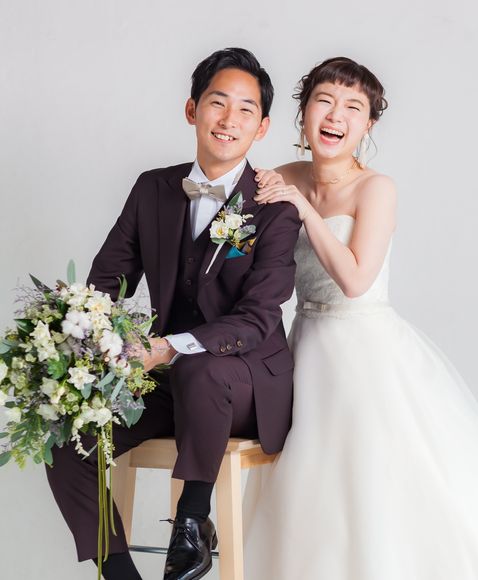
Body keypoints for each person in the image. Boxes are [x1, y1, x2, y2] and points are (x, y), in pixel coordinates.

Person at [242, 57, 478, 579]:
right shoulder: (280, 177)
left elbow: (356, 279)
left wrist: (303, 210)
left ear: (368, 125)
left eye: (353, 107)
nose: (335, 116)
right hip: (302, 347)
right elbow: (239, 256)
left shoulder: (377, 188)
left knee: (374, 484)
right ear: (303, 113)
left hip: (362, 352)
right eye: (324, 101)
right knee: (309, 488)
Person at [45, 47, 301, 580]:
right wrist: (85, 347)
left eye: (246, 109)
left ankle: (191, 521)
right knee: (67, 435)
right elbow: (105, 284)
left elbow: (258, 318)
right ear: (192, 110)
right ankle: (119, 573)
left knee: (199, 367)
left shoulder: (275, 207)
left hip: (245, 381)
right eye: (217, 103)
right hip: (167, 375)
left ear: (262, 126)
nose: (229, 119)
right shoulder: (153, 189)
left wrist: (169, 347)